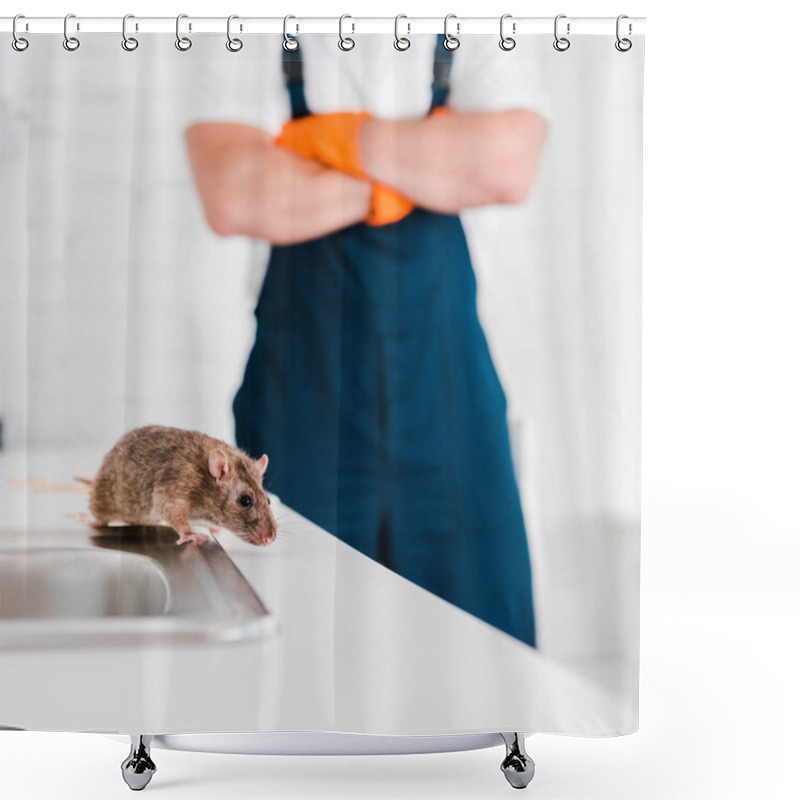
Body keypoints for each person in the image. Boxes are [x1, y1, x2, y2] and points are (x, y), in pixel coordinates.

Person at [185, 34, 548, 647]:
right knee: (297, 646)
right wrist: (421, 174)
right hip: (299, 413)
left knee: (477, 651)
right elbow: (232, 192)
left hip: (448, 415)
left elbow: (507, 166)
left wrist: (317, 144)